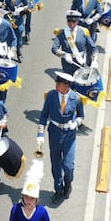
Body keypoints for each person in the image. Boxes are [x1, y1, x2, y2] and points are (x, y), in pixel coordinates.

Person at [37, 72, 84, 201]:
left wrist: (76, 123)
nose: (56, 85)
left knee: (68, 166)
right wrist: (40, 134)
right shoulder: (51, 96)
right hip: (54, 133)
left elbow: (81, 115)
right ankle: (58, 190)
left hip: (69, 135)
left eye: (59, 83)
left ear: (67, 85)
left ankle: (68, 184)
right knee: (56, 164)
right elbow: (44, 115)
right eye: (56, 82)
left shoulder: (76, 98)